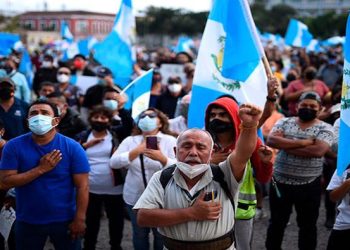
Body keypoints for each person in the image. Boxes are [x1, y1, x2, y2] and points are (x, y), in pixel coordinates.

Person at [134, 103, 262, 249]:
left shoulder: (225, 174)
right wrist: (191, 213)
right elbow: (143, 217)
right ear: (176, 150)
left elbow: (243, 153)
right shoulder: (162, 177)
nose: (193, 152)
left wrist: (250, 126)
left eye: (201, 147)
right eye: (187, 146)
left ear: (211, 152)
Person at [0, 99, 90, 250]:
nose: (39, 116)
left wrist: (80, 219)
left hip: (65, 220)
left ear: (56, 120)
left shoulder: (72, 147)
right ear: (28, 121)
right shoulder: (13, 146)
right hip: (27, 220)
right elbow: (5, 182)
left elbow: (83, 186)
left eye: (44, 113)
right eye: (34, 113)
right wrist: (40, 169)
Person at [265, 91, 334, 250]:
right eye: (304, 105)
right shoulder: (284, 121)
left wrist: (286, 144)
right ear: (297, 107)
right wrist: (305, 143)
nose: (307, 108)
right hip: (279, 183)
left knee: (308, 225)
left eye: (312, 106)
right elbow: (272, 140)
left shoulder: (326, 128)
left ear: (320, 109)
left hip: (309, 185)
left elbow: (318, 151)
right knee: (276, 223)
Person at [205, 96, 273, 250]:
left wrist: (266, 162)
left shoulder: (250, 141)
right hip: (207, 209)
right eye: (213, 115)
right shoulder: (202, 142)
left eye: (223, 115)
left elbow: (263, 177)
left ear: (233, 116)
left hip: (240, 211)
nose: (216, 119)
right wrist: (208, 161)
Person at [110, 108, 177, 250]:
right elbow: (113, 163)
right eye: (143, 116)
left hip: (162, 198)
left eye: (151, 116)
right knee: (139, 233)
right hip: (135, 197)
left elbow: (180, 167)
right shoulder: (130, 140)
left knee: (161, 234)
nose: (146, 118)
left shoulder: (170, 140)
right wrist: (136, 150)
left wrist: (162, 159)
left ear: (160, 122)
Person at [76, 106, 124, 250]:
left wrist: (120, 108)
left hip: (115, 189)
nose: (99, 120)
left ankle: (116, 246)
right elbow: (72, 154)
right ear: (90, 119)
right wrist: (85, 145)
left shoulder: (115, 135)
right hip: (90, 189)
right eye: (96, 117)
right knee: (91, 221)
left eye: (103, 118)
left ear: (109, 121)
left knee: (116, 222)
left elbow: (128, 124)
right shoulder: (83, 135)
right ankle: (89, 246)